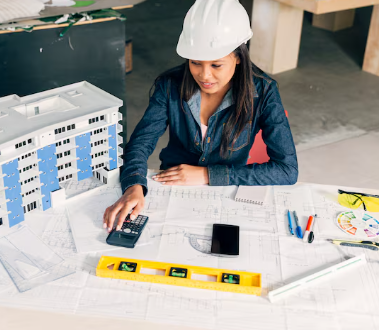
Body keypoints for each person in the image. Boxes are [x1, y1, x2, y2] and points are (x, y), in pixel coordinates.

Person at [103, 0, 298, 231]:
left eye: (216, 65)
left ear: (238, 56)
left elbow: (287, 170)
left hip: (225, 193)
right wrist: (134, 184)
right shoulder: (169, 86)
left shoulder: (264, 92)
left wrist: (207, 175)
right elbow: (141, 143)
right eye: (195, 63)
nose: (204, 75)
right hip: (172, 188)